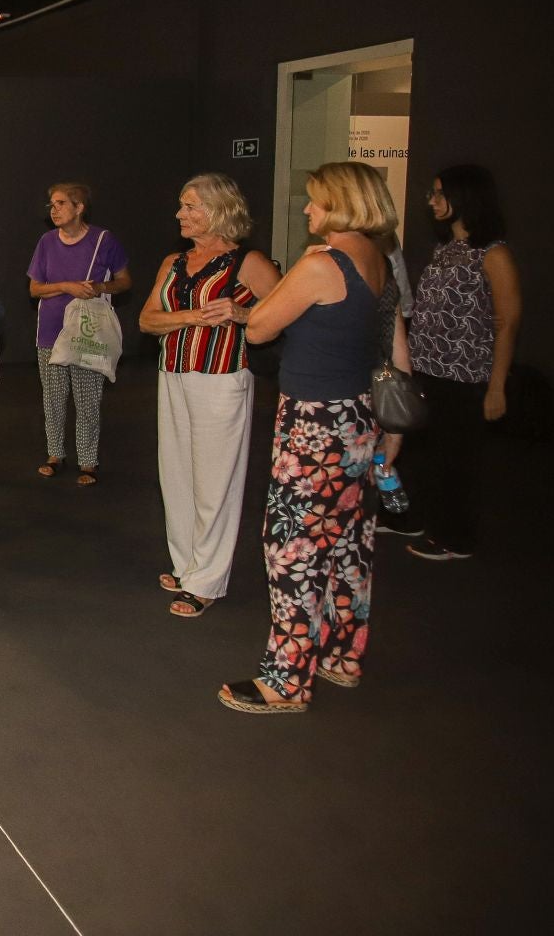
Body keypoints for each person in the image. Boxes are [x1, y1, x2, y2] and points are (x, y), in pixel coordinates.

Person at [220, 162, 395, 714]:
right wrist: (391, 430)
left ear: (341, 203)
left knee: (291, 546)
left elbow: (260, 327)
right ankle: (342, 656)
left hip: (315, 423)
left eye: (316, 201)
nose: (307, 209)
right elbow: (396, 345)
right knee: (346, 544)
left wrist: (272, 291)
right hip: (359, 418)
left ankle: (286, 681)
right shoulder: (380, 261)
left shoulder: (324, 264)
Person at [137, 174, 279, 618]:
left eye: (191, 206)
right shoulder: (174, 263)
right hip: (174, 375)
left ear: (219, 212)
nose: (180, 214)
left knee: (216, 481)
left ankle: (207, 581)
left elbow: (284, 316)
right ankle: (186, 566)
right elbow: (146, 320)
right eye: (181, 206)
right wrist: (193, 316)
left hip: (222, 379)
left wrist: (239, 312)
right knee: (176, 474)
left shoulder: (247, 262)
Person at [393, 165, 522, 562]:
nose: (431, 201)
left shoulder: (493, 253)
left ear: (465, 198)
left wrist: (496, 386)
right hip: (429, 370)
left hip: (465, 377)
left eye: (438, 193)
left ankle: (456, 537)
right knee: (429, 456)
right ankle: (424, 521)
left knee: (456, 461)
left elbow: (508, 322)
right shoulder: (446, 248)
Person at [27, 183, 131, 485]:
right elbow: (34, 289)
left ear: (79, 207)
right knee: (53, 397)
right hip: (50, 333)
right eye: (52, 204)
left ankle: (88, 462)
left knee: (87, 398)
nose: (54, 209)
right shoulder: (46, 242)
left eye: (61, 203)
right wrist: (66, 286)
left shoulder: (103, 240)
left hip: (87, 334)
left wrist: (100, 287)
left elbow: (125, 281)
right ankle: (54, 454)